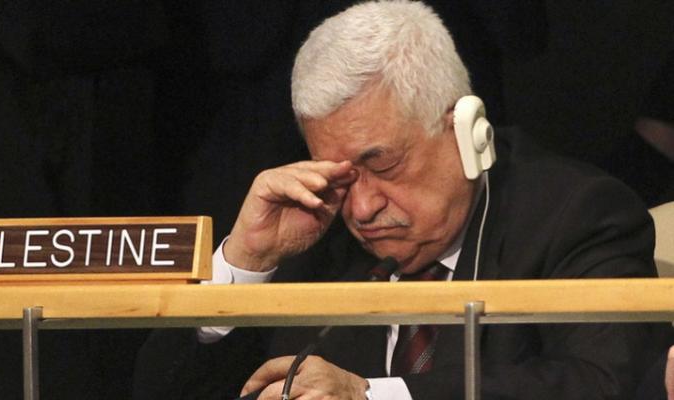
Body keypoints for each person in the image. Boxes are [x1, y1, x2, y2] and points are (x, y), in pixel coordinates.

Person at [134, 1, 661, 399]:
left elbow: (606, 381)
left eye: (383, 165)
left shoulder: (578, 213)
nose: (362, 208)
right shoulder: (312, 231)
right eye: (340, 177)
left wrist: (370, 395)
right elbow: (161, 391)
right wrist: (247, 263)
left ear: (466, 129)